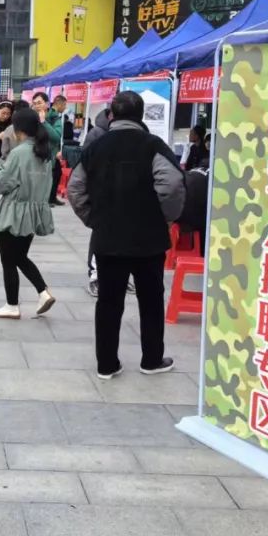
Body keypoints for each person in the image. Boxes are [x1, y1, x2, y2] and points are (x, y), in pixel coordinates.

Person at [68, 90, 185, 381]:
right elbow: (171, 185)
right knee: (151, 300)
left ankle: (107, 364)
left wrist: (94, 219)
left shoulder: (95, 147)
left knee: (108, 302)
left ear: (111, 114)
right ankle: (152, 359)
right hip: (149, 240)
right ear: (141, 114)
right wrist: (164, 218)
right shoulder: (153, 145)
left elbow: (75, 188)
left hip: (108, 238)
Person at [0, 107, 57, 319]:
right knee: (19, 256)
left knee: (8, 259)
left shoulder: (18, 153)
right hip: (34, 211)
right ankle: (43, 292)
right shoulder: (45, 153)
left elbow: (2, 184)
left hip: (14, 211)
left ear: (18, 129)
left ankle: (12, 305)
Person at [79, 105, 113, 295]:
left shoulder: (135, 133)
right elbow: (84, 165)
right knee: (101, 235)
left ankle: (118, 277)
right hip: (102, 194)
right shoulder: (97, 133)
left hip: (125, 197)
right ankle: (95, 276)